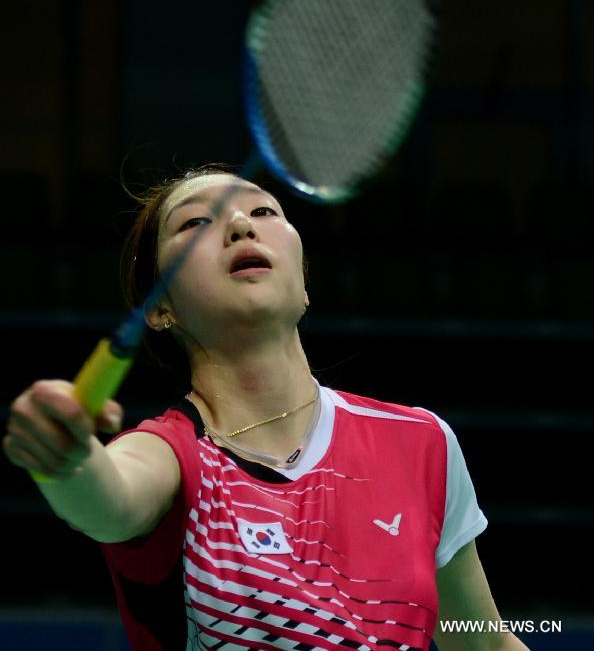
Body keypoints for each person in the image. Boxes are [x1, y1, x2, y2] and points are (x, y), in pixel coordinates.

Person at [4, 165, 530, 651]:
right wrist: (67, 460)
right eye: (194, 223)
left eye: (263, 212)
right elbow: (109, 499)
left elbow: (482, 639)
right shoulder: (174, 456)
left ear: (303, 285)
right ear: (159, 308)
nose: (239, 225)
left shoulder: (421, 444)